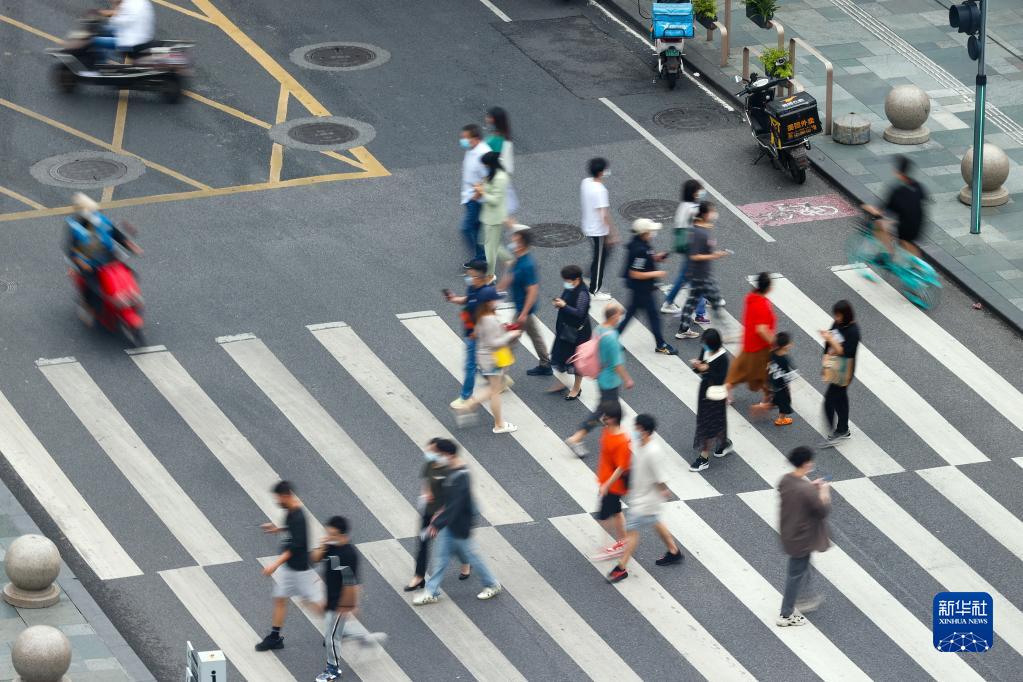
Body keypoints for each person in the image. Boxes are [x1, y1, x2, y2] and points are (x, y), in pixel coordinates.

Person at [413, 443, 502, 605]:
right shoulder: (452, 470)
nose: (437, 457)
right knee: (441, 558)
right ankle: (431, 592)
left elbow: (455, 504)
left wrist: (436, 523)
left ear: (449, 455)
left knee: (472, 556)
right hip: (449, 523)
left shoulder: (461, 475)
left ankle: (492, 584)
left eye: (439, 454)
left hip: (460, 523)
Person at [607, 413, 682, 583]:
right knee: (655, 521)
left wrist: (664, 490)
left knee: (632, 531)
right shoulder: (641, 445)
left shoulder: (653, 451)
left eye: (638, 428)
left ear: (646, 431)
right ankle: (673, 551)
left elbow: (660, 477)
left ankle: (621, 568)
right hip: (643, 497)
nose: (635, 430)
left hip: (646, 501)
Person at [311, 516, 387, 682]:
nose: (327, 535)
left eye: (330, 533)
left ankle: (333, 669)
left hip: (340, 601)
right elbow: (314, 559)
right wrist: (323, 545)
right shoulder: (330, 546)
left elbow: (352, 583)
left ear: (341, 534)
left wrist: (347, 605)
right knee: (337, 631)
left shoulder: (348, 554)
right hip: (330, 597)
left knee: (331, 637)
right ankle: (367, 639)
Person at [564, 302, 634, 458]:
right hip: (610, 380)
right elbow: (617, 365)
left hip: (601, 376)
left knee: (610, 410)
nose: (620, 318)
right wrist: (628, 379)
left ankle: (614, 435)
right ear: (614, 316)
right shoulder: (612, 337)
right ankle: (577, 438)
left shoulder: (600, 329)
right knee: (604, 411)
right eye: (619, 315)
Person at [256, 481, 318, 651]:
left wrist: (274, 565)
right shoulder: (292, 513)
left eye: (278, 498)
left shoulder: (298, 516)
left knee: (316, 605)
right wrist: (278, 530)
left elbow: (295, 546)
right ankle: (275, 638)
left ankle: (344, 630)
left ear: (286, 495)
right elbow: (293, 531)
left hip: (301, 570)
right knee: (280, 598)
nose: (277, 502)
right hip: (292, 569)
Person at [65, 192, 141, 322]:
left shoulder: (100, 220)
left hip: (107, 256)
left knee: (130, 274)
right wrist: (81, 262)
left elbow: (115, 234)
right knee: (94, 288)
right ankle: (88, 307)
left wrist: (130, 245)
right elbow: (70, 249)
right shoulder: (75, 227)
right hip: (88, 262)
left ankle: (128, 297)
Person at [777, 446, 831, 627]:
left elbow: (797, 493)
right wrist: (823, 492)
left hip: (789, 533)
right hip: (802, 539)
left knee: (803, 568)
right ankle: (786, 615)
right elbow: (822, 511)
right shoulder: (806, 491)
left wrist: (810, 486)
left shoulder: (786, 480)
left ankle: (804, 598)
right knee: (795, 575)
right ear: (807, 463)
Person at [454, 288, 521, 434]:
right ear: (489, 302)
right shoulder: (489, 319)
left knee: (493, 389)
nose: (498, 301)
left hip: (486, 357)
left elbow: (479, 334)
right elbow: (493, 343)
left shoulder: (482, 315)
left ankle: (468, 406)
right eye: (495, 299)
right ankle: (499, 424)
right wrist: (511, 334)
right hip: (492, 359)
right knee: (495, 391)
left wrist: (503, 329)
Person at [406, 439, 470, 591]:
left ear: (441, 452)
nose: (428, 453)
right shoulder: (430, 464)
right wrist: (426, 492)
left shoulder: (451, 470)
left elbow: (454, 497)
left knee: (455, 543)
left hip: (445, 514)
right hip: (428, 511)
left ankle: (466, 561)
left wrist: (440, 515)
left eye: (432, 451)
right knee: (423, 542)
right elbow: (427, 481)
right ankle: (419, 576)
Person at [618, 218, 677, 355]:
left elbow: (641, 261)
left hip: (639, 288)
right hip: (642, 289)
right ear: (644, 233)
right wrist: (657, 273)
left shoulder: (639, 243)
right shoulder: (640, 250)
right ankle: (661, 344)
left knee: (631, 314)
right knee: (653, 316)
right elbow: (635, 273)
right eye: (651, 231)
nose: (653, 233)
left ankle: (613, 338)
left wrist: (655, 257)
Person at [498, 228, 552, 375]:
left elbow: (533, 290)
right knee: (535, 335)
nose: (512, 242)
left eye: (515, 241)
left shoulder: (528, 265)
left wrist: (524, 313)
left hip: (523, 309)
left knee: (510, 340)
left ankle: (499, 372)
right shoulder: (518, 259)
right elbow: (507, 281)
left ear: (522, 244)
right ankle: (545, 364)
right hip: (521, 308)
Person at [675, 201, 729, 340]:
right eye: (712, 211)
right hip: (701, 275)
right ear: (705, 214)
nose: (714, 214)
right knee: (716, 300)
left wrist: (715, 253)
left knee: (692, 300)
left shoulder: (701, 229)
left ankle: (683, 329)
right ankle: (724, 332)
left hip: (698, 273)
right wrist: (714, 255)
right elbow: (694, 255)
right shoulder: (699, 233)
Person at [447, 260, 496, 411]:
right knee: (482, 361)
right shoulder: (472, 287)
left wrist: (476, 332)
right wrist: (454, 299)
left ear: (478, 275)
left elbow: (489, 315)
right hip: (471, 332)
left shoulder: (486, 294)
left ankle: (465, 397)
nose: (467, 274)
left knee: (470, 366)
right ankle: (498, 379)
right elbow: (468, 300)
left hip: (477, 336)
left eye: (470, 272)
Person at [725, 272, 776, 407]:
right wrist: (774, 343)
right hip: (759, 347)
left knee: (739, 369)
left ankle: (727, 391)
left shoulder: (751, 298)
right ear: (768, 288)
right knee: (760, 375)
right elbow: (761, 329)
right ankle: (767, 397)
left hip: (748, 341)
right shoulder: (762, 305)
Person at [863, 154, 927, 260]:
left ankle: (888, 254)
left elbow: (880, 211)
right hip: (919, 225)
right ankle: (919, 264)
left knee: (879, 225)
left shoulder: (897, 191)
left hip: (905, 228)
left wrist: (867, 208)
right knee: (905, 238)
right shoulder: (918, 186)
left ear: (898, 172)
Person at [661, 179, 708, 321]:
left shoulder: (684, 205)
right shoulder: (693, 209)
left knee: (686, 276)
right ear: (694, 193)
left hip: (685, 244)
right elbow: (701, 225)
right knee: (692, 277)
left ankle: (671, 302)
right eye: (699, 189)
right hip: (692, 246)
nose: (702, 192)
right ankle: (698, 309)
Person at [591, 401, 630, 561]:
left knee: (604, 516)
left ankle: (607, 547)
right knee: (616, 512)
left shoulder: (622, 441)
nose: (603, 418)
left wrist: (607, 484)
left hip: (613, 486)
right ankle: (624, 542)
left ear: (613, 418)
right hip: (607, 482)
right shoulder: (608, 431)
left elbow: (621, 467)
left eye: (606, 417)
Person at [689, 328, 733, 472]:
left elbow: (720, 378)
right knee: (710, 419)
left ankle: (704, 457)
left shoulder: (723, 358)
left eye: (706, 343)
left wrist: (705, 368)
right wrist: (697, 366)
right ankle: (723, 443)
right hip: (704, 391)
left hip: (715, 393)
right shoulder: (706, 350)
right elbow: (701, 367)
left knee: (707, 422)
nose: (704, 346)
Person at [547, 264, 591, 400]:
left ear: (576, 279)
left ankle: (576, 388)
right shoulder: (571, 288)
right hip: (564, 329)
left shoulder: (583, 293)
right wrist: (559, 303)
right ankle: (561, 382)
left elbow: (579, 313)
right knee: (560, 356)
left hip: (577, 334)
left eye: (567, 280)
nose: (566, 283)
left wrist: (564, 305)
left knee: (577, 362)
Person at [820, 300, 860, 444]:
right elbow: (829, 342)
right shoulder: (837, 324)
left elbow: (846, 353)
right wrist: (825, 363)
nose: (836, 319)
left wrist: (831, 340)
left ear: (846, 315)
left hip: (844, 370)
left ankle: (836, 430)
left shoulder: (853, 332)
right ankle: (842, 429)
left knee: (829, 402)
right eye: (835, 315)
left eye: (838, 316)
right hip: (834, 365)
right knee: (841, 399)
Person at [580, 158, 617, 300]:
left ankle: (588, 275)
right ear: (601, 172)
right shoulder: (601, 190)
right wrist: (612, 234)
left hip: (588, 226)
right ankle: (594, 290)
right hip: (598, 231)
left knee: (599, 256)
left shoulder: (586, 183)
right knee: (601, 259)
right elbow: (604, 215)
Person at [476, 151, 512, 279]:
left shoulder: (500, 178)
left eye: (486, 165)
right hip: (488, 216)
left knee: (490, 247)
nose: (485, 167)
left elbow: (495, 200)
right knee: (489, 244)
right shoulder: (493, 172)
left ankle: (490, 274)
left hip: (494, 218)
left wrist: (482, 192)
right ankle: (512, 261)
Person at [459, 125, 491, 263]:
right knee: (477, 228)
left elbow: (489, 177)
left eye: (466, 138)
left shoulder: (483, 154)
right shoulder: (472, 149)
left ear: (476, 139)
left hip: (477, 199)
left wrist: (476, 196)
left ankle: (480, 259)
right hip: (469, 195)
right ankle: (481, 256)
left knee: (466, 228)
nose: (463, 140)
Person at [484, 107, 518, 226]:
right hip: (501, 176)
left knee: (499, 211)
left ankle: (520, 235)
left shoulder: (494, 140)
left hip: (494, 177)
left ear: (494, 120)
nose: (486, 118)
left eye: (489, 116)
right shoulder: (505, 136)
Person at [767, 332, 797, 426]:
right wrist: (788, 388)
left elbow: (768, 364)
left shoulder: (772, 353)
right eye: (789, 343)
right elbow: (787, 376)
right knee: (785, 403)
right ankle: (781, 419)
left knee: (776, 398)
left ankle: (765, 405)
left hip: (773, 381)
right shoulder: (784, 360)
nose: (791, 345)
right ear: (785, 346)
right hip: (781, 386)